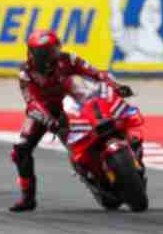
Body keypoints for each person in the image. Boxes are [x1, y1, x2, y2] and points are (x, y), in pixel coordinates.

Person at [9, 29, 132, 213]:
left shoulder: (68, 59)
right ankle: (28, 197)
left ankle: (128, 150)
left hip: (73, 101)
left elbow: (96, 73)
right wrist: (49, 121)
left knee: (108, 118)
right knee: (20, 149)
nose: (53, 55)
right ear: (34, 54)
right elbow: (32, 103)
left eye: (55, 49)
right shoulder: (26, 73)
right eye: (47, 52)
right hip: (44, 111)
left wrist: (116, 86)